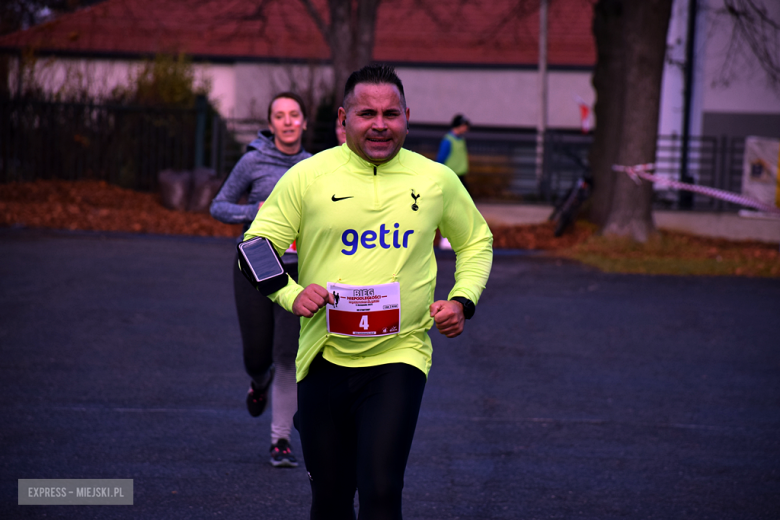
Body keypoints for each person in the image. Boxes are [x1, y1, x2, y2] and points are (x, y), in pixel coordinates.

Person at [244, 65, 493, 519]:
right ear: (343, 118)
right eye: (367, 113)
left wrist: (463, 300)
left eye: (391, 113)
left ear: (407, 117)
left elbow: (476, 240)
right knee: (332, 499)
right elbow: (255, 247)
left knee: (380, 490)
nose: (380, 124)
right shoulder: (308, 176)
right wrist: (290, 293)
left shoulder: (435, 179)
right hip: (323, 356)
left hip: (400, 355)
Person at [210, 91, 310, 468]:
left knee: (288, 355)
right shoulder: (253, 162)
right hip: (255, 265)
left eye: (294, 114)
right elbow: (218, 206)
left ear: (303, 122)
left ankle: (280, 440)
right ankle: (258, 380)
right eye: (280, 115)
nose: (287, 121)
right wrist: (256, 209)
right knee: (257, 354)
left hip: (298, 269)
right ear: (271, 124)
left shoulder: (315, 167)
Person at [436, 114, 471, 250]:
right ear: (459, 125)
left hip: (460, 177)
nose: (466, 129)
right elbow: (440, 160)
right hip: (451, 178)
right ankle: (445, 238)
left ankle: (458, 236)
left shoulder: (460, 140)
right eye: (465, 126)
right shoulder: (448, 141)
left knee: (463, 208)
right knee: (450, 208)